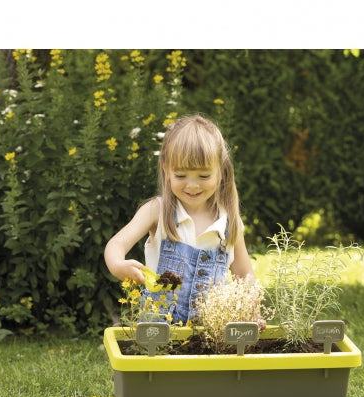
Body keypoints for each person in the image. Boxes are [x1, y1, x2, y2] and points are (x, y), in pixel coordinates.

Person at [104, 114, 258, 324]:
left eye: (204, 176)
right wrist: (117, 264)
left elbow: (244, 276)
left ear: (221, 171)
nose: (192, 185)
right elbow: (117, 243)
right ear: (166, 169)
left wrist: (252, 312)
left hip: (210, 337)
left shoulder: (228, 222)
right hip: (158, 337)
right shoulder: (157, 211)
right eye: (181, 175)